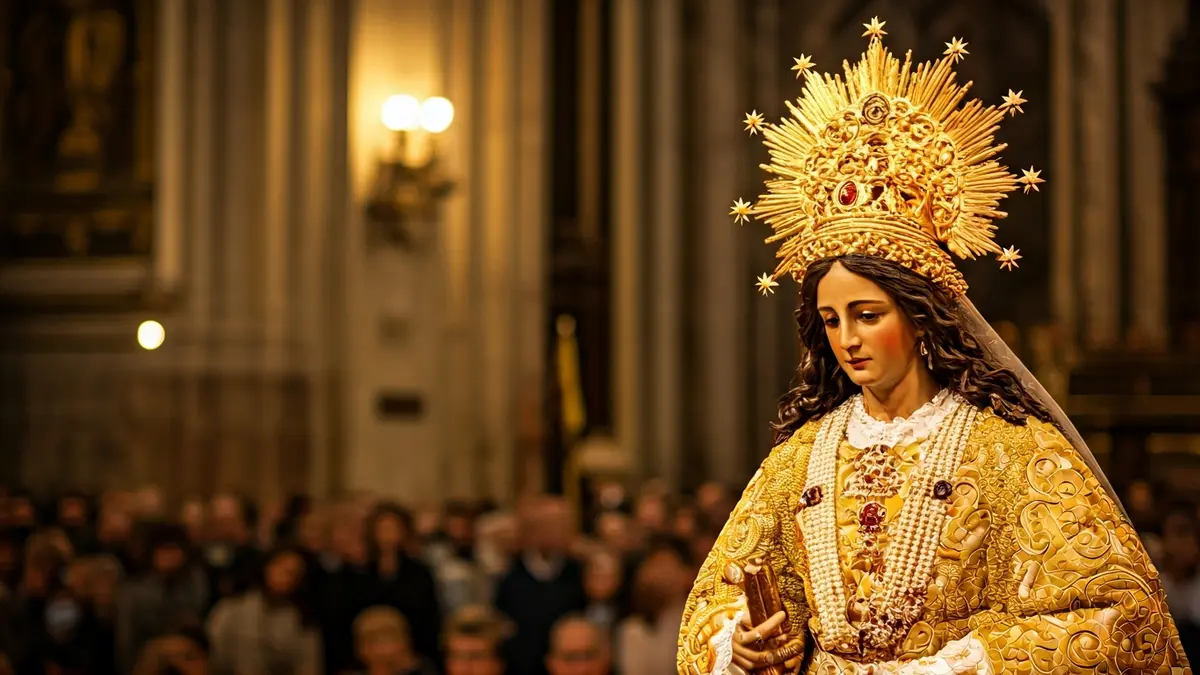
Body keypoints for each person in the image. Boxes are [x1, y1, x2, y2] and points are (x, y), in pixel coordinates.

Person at [677, 21, 1193, 675]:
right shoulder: (802, 458)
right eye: (831, 320)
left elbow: (1118, 618)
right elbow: (714, 605)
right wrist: (742, 645)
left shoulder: (1008, 448)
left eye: (867, 314)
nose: (848, 339)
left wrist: (964, 664)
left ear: (922, 318)